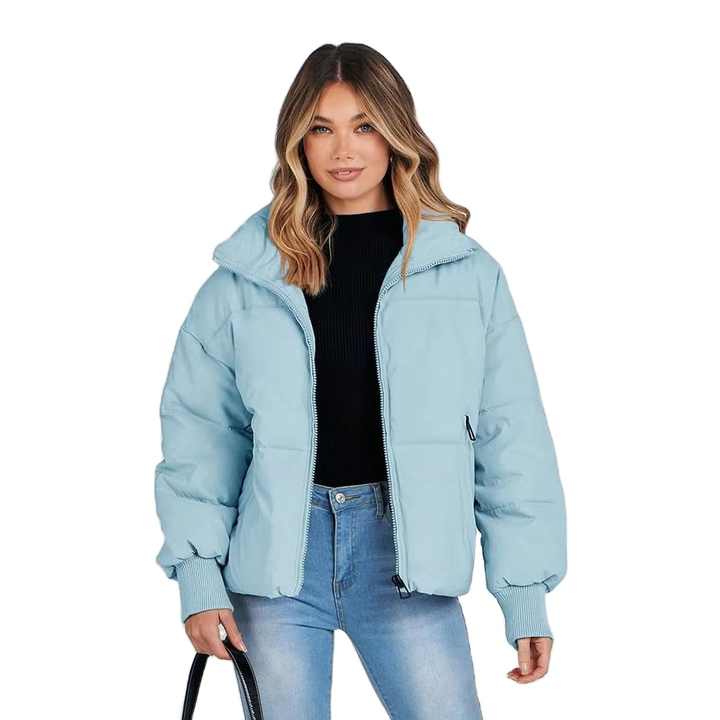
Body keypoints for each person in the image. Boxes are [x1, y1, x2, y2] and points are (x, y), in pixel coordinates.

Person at [154, 42, 567, 718]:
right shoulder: (244, 280)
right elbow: (201, 438)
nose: (343, 149)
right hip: (277, 566)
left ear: (396, 133)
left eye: (364, 125)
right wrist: (198, 577)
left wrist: (524, 594)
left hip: (406, 562)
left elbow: (510, 436)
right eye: (322, 127)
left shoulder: (466, 276)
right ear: (297, 142)